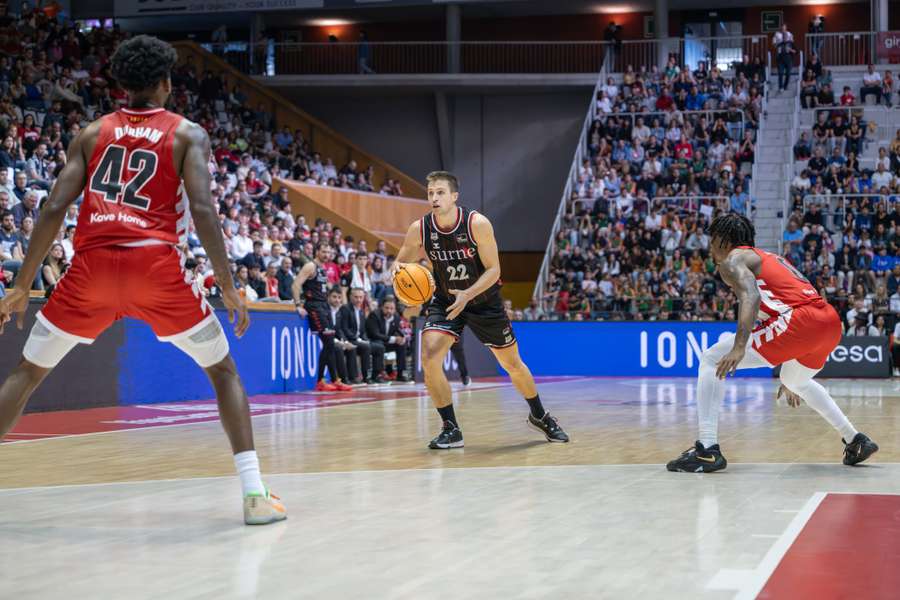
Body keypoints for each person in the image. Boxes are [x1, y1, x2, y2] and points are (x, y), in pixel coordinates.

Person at [0, 36, 286, 525]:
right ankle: (255, 494)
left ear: (122, 84)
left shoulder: (91, 133)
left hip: (89, 269)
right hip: (155, 268)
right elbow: (201, 208)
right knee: (222, 373)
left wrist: (22, 283)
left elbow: (52, 208)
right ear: (164, 83)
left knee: (27, 375)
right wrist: (228, 284)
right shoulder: (187, 134)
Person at [666, 213, 877, 473]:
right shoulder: (771, 257)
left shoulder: (732, 260)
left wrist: (740, 346)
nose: (710, 247)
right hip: (828, 321)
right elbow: (791, 304)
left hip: (800, 321)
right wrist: (790, 355)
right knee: (795, 380)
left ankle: (707, 449)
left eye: (713, 240)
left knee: (711, 359)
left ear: (723, 240)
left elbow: (751, 297)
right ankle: (855, 439)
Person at [391, 171, 569, 448]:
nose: (434, 198)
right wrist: (401, 279)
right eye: (430, 193)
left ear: (454, 196)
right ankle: (451, 428)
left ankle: (540, 415)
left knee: (512, 364)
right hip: (445, 299)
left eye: (440, 192)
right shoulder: (420, 229)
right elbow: (401, 263)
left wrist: (468, 293)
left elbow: (494, 270)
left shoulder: (477, 224)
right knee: (429, 356)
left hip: (483, 301)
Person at [292, 241, 353, 392]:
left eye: (329, 252)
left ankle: (335, 380)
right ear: (317, 251)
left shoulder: (323, 269)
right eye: (323, 252)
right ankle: (320, 380)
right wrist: (298, 305)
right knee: (329, 343)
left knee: (330, 344)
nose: (326, 255)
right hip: (314, 307)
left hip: (324, 307)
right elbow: (295, 285)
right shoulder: (310, 266)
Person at [338, 287, 386, 384]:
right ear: (350, 297)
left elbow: (362, 331)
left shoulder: (361, 311)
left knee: (379, 347)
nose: (358, 300)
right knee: (365, 346)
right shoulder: (345, 309)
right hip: (349, 340)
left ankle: (376, 375)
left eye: (361, 297)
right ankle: (365, 376)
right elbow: (344, 328)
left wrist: (365, 339)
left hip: (359, 340)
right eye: (356, 297)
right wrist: (358, 339)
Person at [365, 295, 410, 382]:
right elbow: (375, 334)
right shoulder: (374, 315)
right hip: (374, 341)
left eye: (391, 308)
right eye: (386, 308)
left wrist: (402, 338)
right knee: (379, 345)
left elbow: (397, 330)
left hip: (387, 342)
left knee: (401, 344)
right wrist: (393, 339)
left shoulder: (396, 317)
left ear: (395, 309)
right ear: (382, 307)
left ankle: (400, 373)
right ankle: (378, 374)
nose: (389, 310)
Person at [773, 24, 796, 93]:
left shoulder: (790, 39)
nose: (783, 31)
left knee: (788, 74)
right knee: (780, 73)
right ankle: (780, 87)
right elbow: (774, 45)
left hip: (788, 59)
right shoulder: (778, 38)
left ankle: (785, 86)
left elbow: (795, 49)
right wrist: (778, 44)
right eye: (782, 29)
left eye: (784, 29)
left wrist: (790, 49)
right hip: (780, 59)